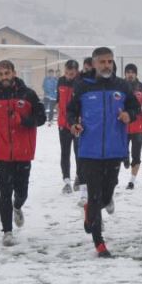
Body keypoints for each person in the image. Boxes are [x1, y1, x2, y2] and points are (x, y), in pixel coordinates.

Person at [67, 47, 140, 258]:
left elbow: (136, 108)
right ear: (94, 63)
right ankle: (100, 244)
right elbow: (71, 111)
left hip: (115, 150)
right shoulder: (83, 86)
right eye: (102, 62)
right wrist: (74, 124)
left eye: (110, 61)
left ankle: (91, 209)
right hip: (89, 151)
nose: (107, 65)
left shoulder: (122, 86)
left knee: (106, 196)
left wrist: (129, 115)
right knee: (96, 194)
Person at [0, 60, 46, 246]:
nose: (4, 77)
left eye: (7, 73)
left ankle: (18, 206)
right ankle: (7, 231)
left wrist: (23, 120)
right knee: (4, 191)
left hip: (23, 152)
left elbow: (41, 118)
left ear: (14, 73)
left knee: (21, 192)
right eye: (0, 74)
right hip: (0, 151)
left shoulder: (28, 94)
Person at [55, 59, 80, 194]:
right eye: (66, 73)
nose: (68, 76)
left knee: (78, 152)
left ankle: (78, 177)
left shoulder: (80, 83)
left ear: (76, 72)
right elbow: (59, 98)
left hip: (76, 124)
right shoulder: (60, 81)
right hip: (63, 124)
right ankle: (66, 181)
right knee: (65, 152)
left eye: (71, 73)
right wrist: (57, 104)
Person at [123, 63, 142, 189]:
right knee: (122, 152)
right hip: (123, 127)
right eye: (128, 72)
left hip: (138, 127)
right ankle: (125, 158)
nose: (130, 74)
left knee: (136, 154)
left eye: (132, 72)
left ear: (136, 74)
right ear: (125, 74)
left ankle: (132, 181)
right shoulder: (120, 86)